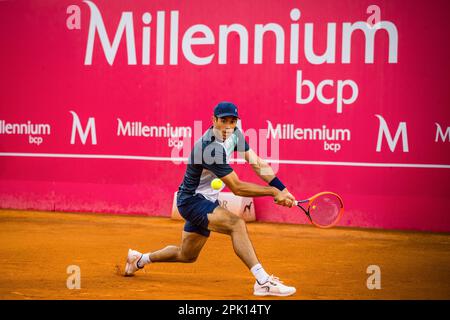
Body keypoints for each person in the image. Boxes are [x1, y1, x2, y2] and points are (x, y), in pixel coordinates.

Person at [124, 102, 297, 296]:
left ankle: (138, 260)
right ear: (213, 120)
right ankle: (263, 281)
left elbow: (257, 163)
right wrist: (273, 192)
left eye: (232, 121)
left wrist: (282, 188)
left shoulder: (235, 134)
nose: (227, 126)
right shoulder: (209, 148)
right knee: (236, 224)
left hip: (207, 201)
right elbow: (237, 187)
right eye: (223, 121)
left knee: (187, 255)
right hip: (191, 201)